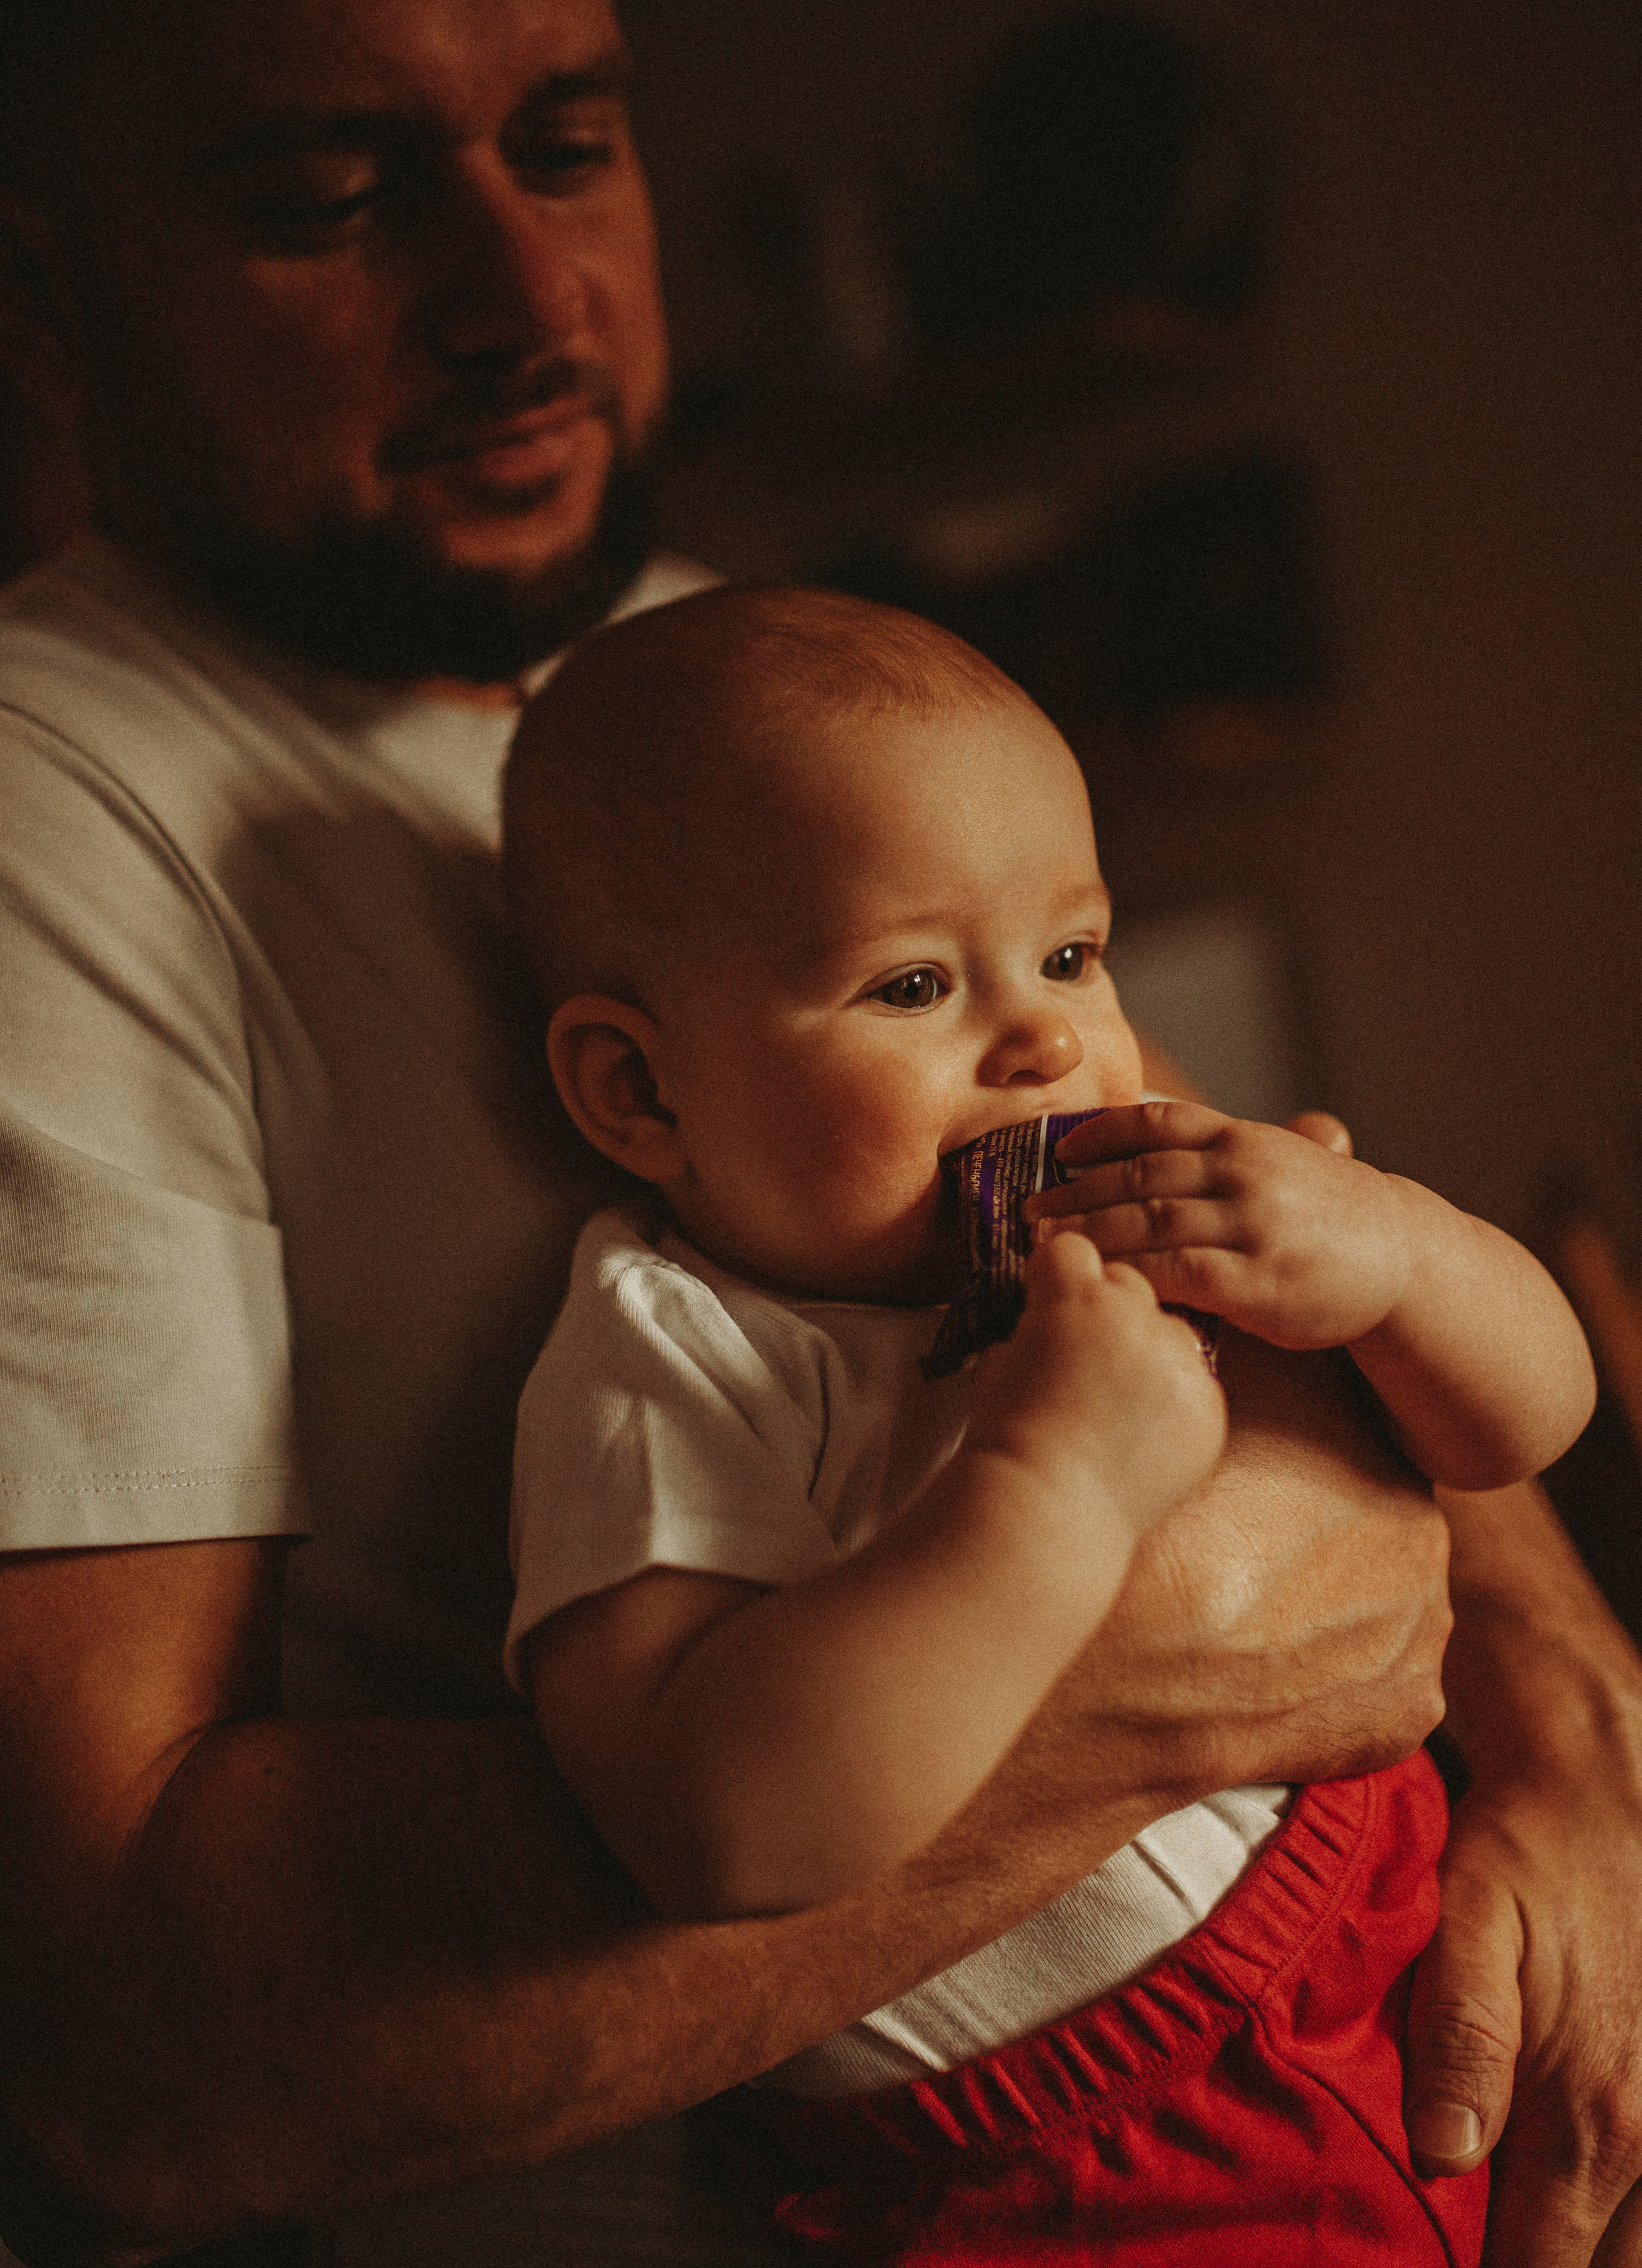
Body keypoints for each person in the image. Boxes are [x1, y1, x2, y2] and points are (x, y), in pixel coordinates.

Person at [0, 1, 1638, 2264]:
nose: (526, 299)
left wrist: (1555, 1691)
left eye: (569, 145)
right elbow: (122, 2044)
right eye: (329, 199)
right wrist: (1155, 1653)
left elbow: (1328, 1283)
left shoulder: (731, 689)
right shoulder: (51, 814)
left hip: (1356, 1981)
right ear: (50, 281)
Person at [498, 583, 1592, 2262]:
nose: (1051, 1042)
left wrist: (1395, 1259)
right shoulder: (672, 1360)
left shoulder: (1155, 1190)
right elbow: (724, 1822)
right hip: (1079, 2161)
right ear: (641, 1093)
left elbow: (1525, 1422)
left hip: (1391, 1922)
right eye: (914, 983)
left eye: (1075, 953)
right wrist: (1056, 1481)